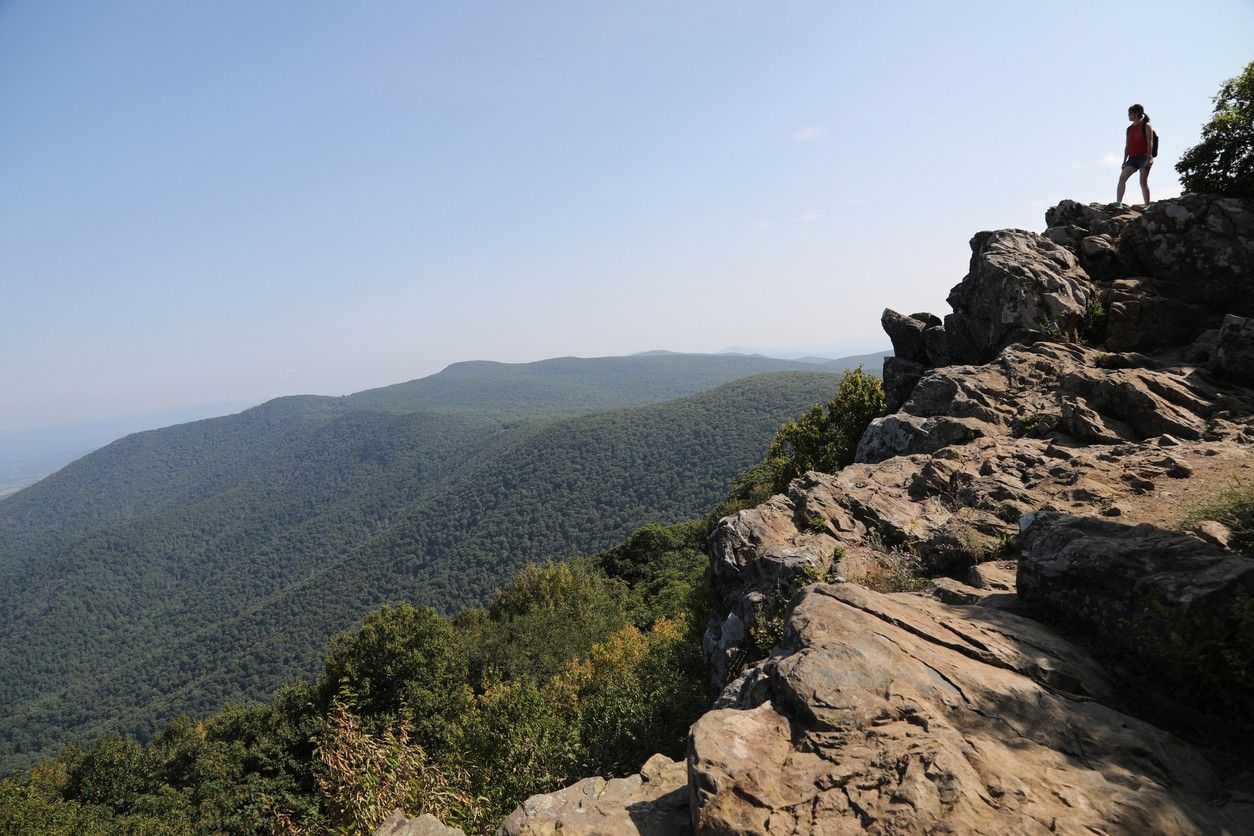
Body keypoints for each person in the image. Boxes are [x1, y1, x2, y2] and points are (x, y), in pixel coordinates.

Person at [1116, 104, 1154, 206]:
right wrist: (1124, 161)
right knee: (1122, 178)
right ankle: (1118, 203)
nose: (1128, 115)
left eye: (1130, 113)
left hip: (1144, 156)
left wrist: (1149, 157)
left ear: (1136, 114)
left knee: (1143, 181)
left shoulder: (1146, 125)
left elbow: (1150, 141)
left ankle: (1147, 205)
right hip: (1132, 158)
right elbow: (1127, 146)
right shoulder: (1129, 129)